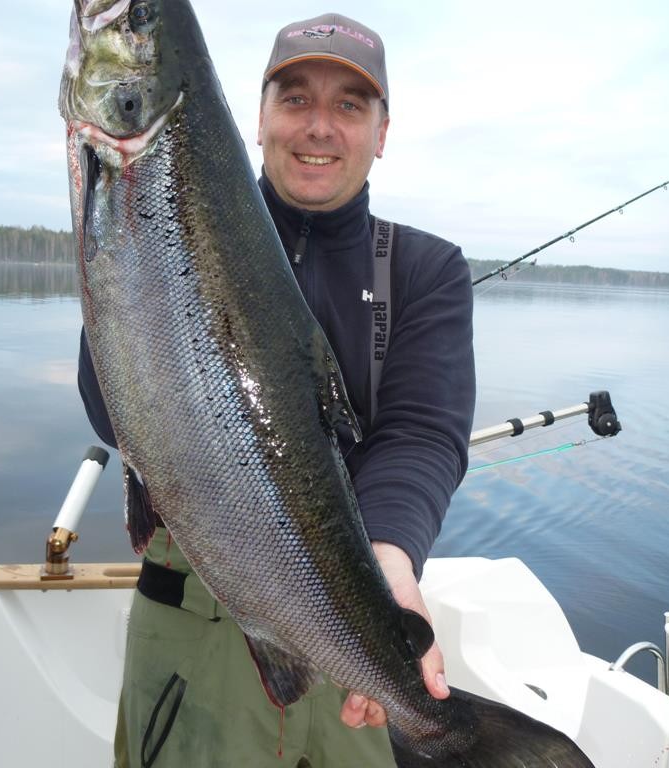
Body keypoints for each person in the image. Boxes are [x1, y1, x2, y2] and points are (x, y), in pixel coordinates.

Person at [78, 12, 475, 768]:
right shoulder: (157, 213)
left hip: (351, 632)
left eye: (349, 106)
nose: (318, 127)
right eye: (294, 99)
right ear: (257, 118)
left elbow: (423, 435)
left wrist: (390, 564)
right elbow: (109, 410)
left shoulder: (427, 271)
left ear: (383, 131)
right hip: (185, 637)